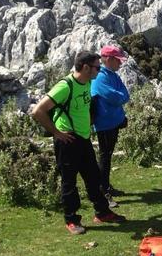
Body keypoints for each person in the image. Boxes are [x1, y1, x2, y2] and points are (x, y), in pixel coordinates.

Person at [32, 51, 126, 235]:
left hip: (83, 139)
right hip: (67, 141)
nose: (99, 71)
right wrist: (57, 133)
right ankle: (72, 220)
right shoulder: (65, 86)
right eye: (97, 68)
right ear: (85, 67)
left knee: (93, 177)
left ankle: (102, 213)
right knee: (69, 182)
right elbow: (38, 111)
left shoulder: (88, 83)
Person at [91, 45, 130, 208]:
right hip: (105, 123)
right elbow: (116, 97)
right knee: (105, 156)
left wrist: (119, 96)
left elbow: (124, 95)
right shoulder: (100, 77)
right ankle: (103, 190)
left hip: (113, 122)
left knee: (107, 155)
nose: (120, 64)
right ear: (109, 59)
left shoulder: (112, 75)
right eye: (117, 61)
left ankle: (105, 185)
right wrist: (119, 96)